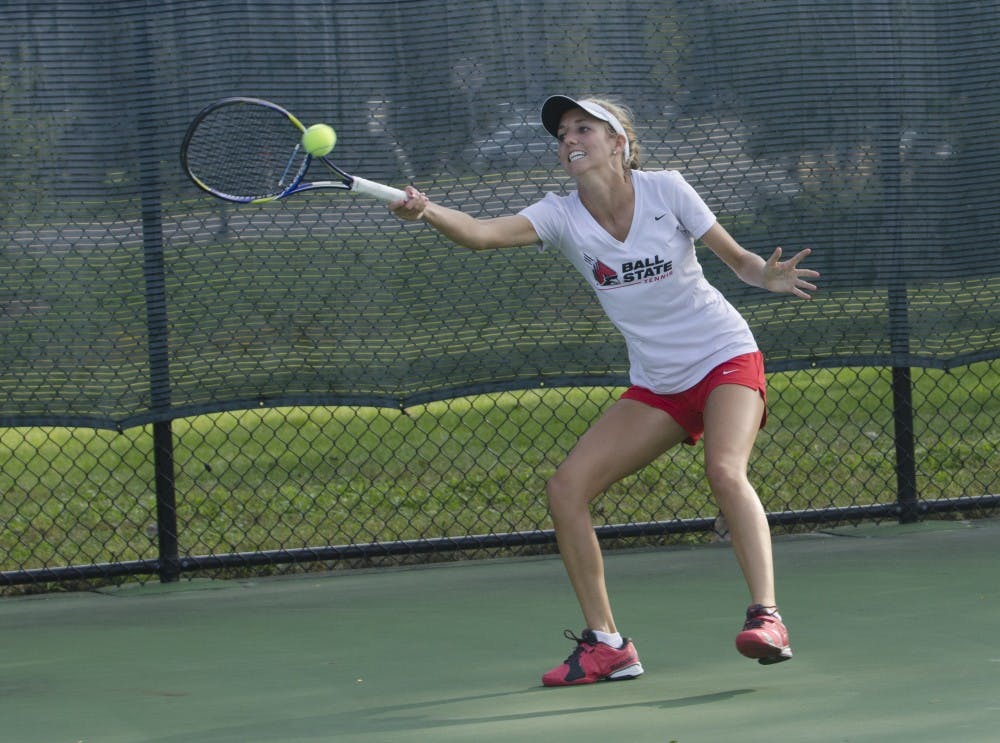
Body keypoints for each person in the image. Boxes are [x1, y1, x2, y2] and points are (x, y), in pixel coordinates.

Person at [390, 95, 819, 686]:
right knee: (566, 489)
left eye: (583, 127)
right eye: (562, 132)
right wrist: (428, 210)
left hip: (724, 356)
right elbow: (482, 234)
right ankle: (607, 645)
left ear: (618, 142)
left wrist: (765, 275)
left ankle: (767, 618)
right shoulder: (560, 215)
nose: (570, 138)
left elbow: (739, 261)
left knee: (724, 471)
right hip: (658, 384)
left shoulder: (667, 190)